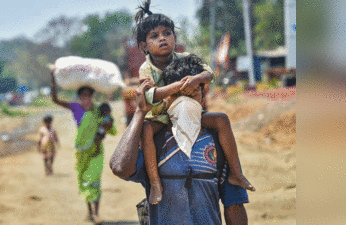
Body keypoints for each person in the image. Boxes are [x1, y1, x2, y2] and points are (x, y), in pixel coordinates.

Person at [133, 0, 255, 204]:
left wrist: (197, 79)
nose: (162, 38)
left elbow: (209, 74)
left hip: (190, 111)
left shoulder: (186, 57)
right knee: (145, 130)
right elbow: (149, 95)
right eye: (155, 36)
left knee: (222, 120)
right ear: (144, 46)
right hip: (162, 117)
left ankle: (235, 172)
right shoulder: (145, 69)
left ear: (174, 37)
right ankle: (155, 182)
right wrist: (178, 86)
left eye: (167, 33)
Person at [110, 79, 249, 224]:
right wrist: (140, 112)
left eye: (191, 96)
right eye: (176, 96)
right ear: (165, 101)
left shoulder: (218, 143)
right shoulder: (154, 143)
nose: (184, 103)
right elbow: (120, 167)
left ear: (201, 99)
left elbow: (234, 204)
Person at [50, 71, 117, 224]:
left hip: (96, 150)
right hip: (81, 152)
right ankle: (89, 212)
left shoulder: (99, 110)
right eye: (83, 96)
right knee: (84, 181)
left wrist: (108, 124)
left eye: (88, 95)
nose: (85, 99)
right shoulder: (76, 108)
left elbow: (107, 127)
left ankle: (97, 213)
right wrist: (53, 78)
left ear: (92, 96)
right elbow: (54, 99)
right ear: (79, 98)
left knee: (94, 180)